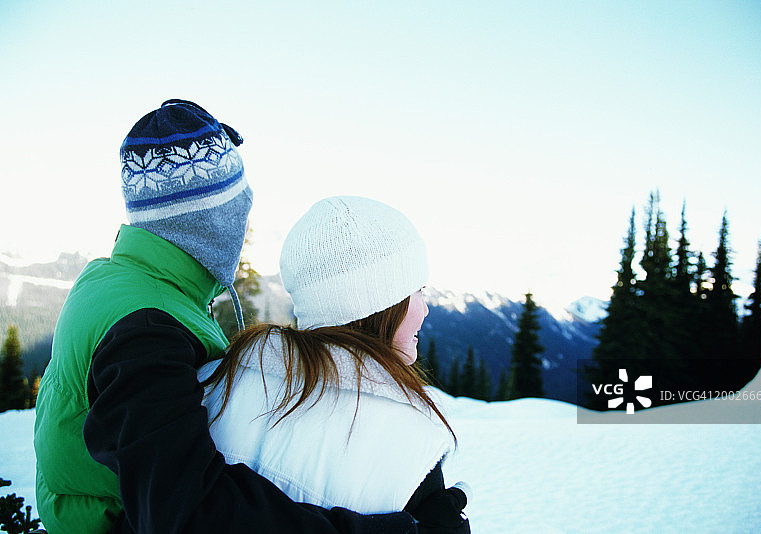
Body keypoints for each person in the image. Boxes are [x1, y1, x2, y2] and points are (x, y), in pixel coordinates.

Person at [33, 100, 462, 534]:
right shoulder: (147, 329)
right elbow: (186, 515)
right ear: (212, 220)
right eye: (240, 207)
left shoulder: (119, 283)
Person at [199, 196, 470, 530]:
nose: (426, 308)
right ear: (382, 303)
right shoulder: (411, 441)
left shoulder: (214, 383)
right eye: (418, 290)